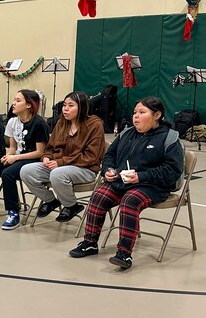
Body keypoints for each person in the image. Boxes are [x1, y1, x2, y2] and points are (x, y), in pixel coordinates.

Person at [69, 97, 184, 270]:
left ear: (157, 115)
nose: (135, 117)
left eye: (142, 112)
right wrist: (107, 170)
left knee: (130, 200)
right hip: (122, 182)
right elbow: (109, 156)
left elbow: (171, 171)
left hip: (152, 186)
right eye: (134, 113)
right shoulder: (126, 134)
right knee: (99, 195)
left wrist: (142, 177)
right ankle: (90, 242)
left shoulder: (170, 138)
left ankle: (124, 253)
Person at [0, 89, 49, 230]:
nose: (13, 103)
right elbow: (13, 146)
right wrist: (8, 156)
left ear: (29, 105)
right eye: (14, 100)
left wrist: (15, 157)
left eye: (18, 101)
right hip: (17, 157)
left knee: (8, 174)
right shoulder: (12, 122)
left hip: (32, 161)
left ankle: (13, 212)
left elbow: (40, 152)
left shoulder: (39, 124)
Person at [21, 91, 106, 222]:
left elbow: (91, 156)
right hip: (60, 166)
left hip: (86, 168)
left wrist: (60, 162)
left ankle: (71, 206)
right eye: (64, 105)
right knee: (26, 171)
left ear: (82, 107)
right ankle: (50, 201)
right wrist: (46, 157)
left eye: (71, 105)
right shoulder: (62, 123)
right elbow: (49, 147)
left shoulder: (95, 125)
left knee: (57, 174)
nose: (65, 109)